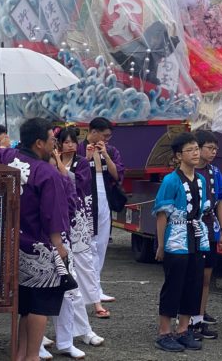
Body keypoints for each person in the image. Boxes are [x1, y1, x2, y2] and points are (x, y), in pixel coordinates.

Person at [0, 117, 71, 361]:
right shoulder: (46, 172)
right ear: (39, 143)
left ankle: (21, 355)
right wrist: (59, 245)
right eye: (52, 140)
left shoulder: (8, 158)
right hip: (37, 247)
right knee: (40, 305)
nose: (55, 145)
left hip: (11, 243)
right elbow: (53, 213)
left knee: (23, 306)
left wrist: (1, 147)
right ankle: (32, 355)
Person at [152, 132, 211, 352]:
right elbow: (162, 214)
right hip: (176, 237)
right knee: (174, 283)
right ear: (178, 156)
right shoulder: (170, 180)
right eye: (191, 150)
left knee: (194, 283)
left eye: (197, 148)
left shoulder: (201, 179)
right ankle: (164, 331)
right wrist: (160, 244)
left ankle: (184, 329)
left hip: (196, 235)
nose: (196, 153)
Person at [50, 127, 105, 358]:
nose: (71, 145)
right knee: (60, 282)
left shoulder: (82, 162)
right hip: (57, 225)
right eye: (66, 142)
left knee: (82, 268)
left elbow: (78, 185)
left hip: (76, 220)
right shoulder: (48, 164)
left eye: (74, 141)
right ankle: (66, 332)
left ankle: (91, 315)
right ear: (59, 144)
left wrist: (59, 165)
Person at [76, 117, 125, 309]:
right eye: (104, 136)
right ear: (93, 132)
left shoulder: (111, 150)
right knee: (86, 245)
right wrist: (87, 158)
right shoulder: (79, 149)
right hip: (85, 200)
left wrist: (106, 155)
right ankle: (85, 287)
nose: (106, 140)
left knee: (102, 243)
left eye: (109, 137)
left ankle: (96, 286)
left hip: (105, 199)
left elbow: (117, 174)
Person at [191, 130, 222, 338]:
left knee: (206, 277)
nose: (214, 152)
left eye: (216, 149)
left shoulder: (215, 172)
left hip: (209, 230)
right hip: (188, 230)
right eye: (210, 148)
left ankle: (199, 317)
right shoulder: (186, 172)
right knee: (191, 276)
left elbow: (220, 204)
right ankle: (186, 318)